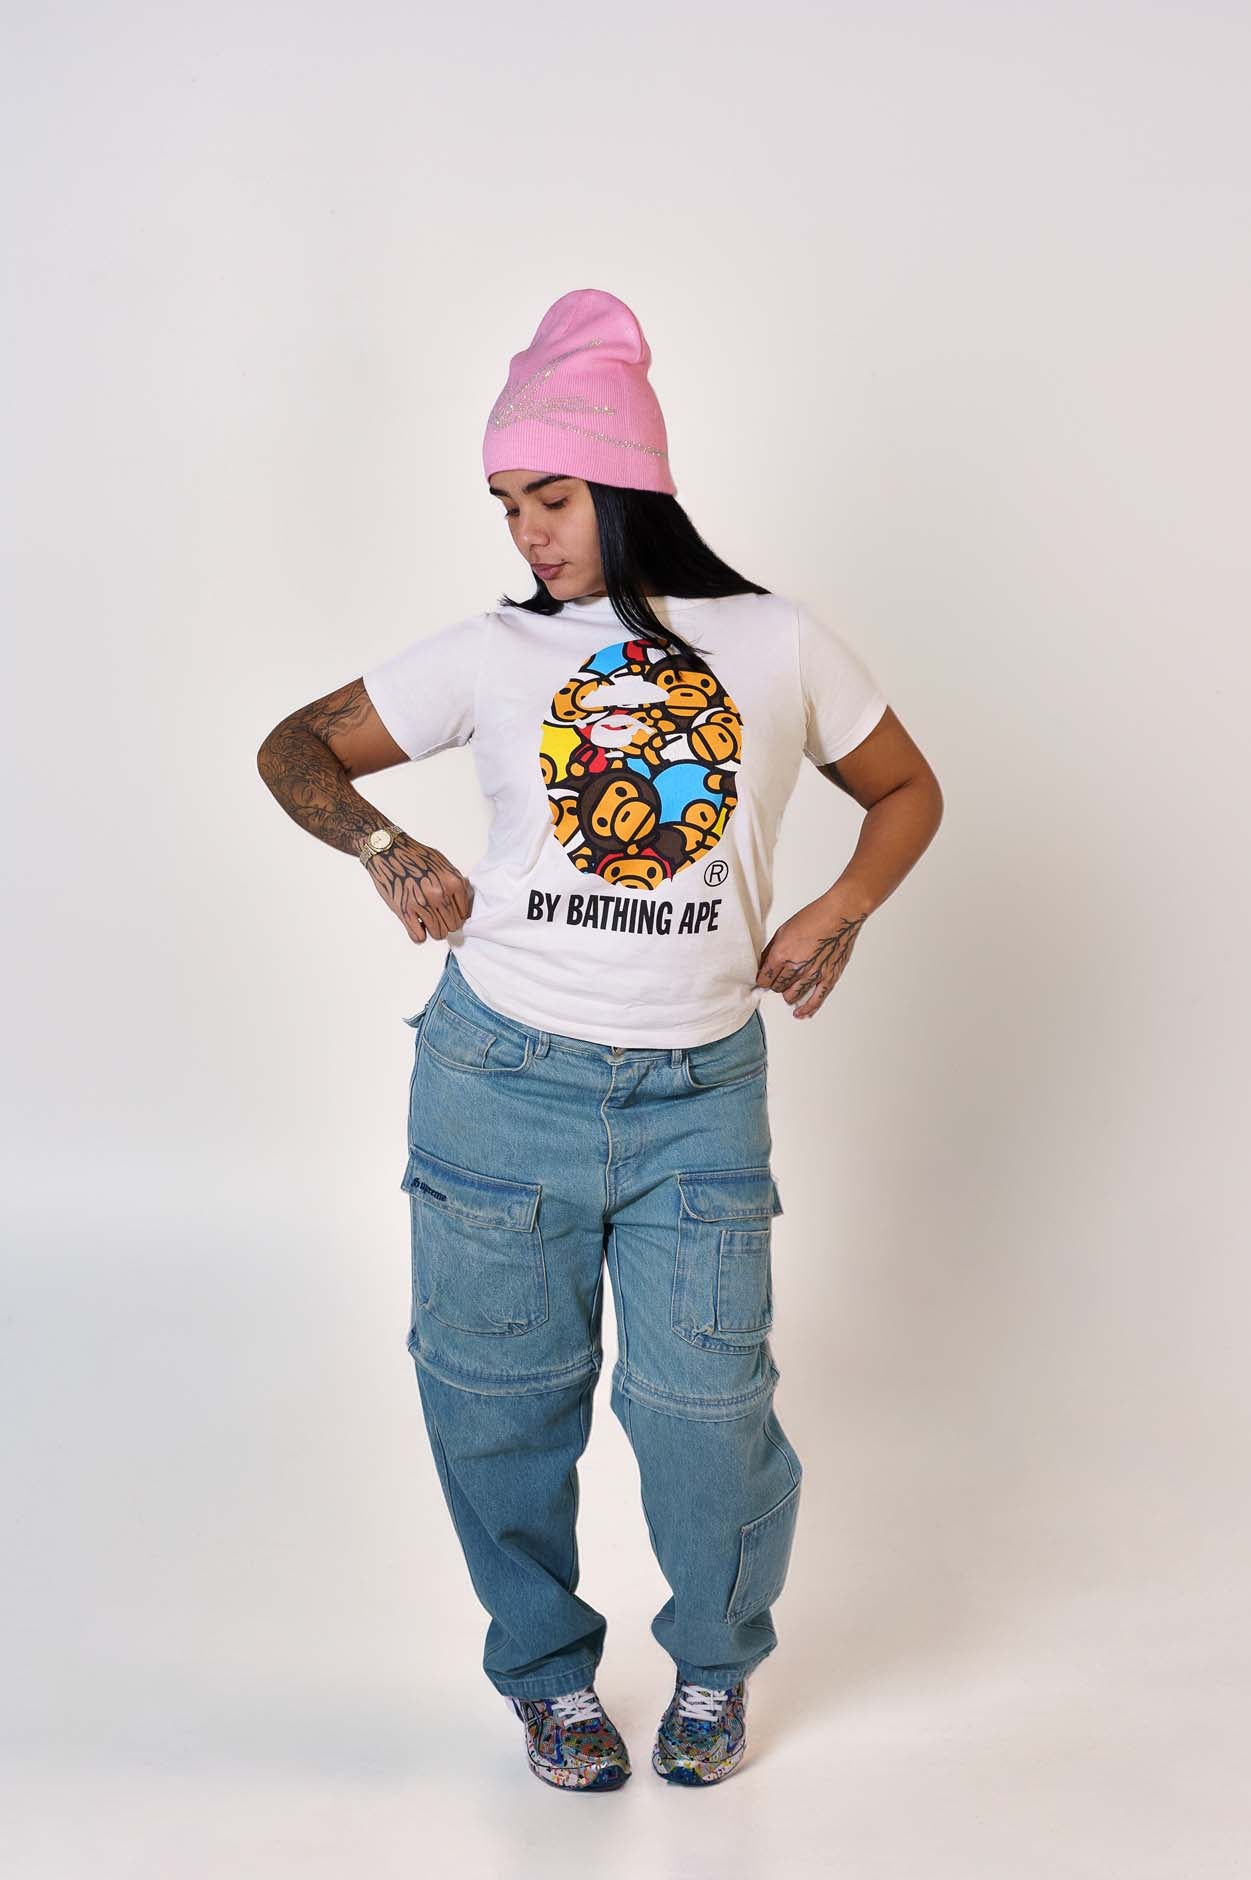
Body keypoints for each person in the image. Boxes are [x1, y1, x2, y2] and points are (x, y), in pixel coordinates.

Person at [257, 287, 943, 1792]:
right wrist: (385, 847)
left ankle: (715, 1663)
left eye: (552, 497)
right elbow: (293, 746)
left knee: (707, 1410)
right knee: (499, 1405)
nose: (529, 533)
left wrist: (840, 912)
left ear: (628, 485)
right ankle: (548, 1678)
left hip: (702, 1091)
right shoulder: (494, 651)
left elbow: (908, 789)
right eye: (508, 505)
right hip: (502, 1079)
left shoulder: (778, 642)